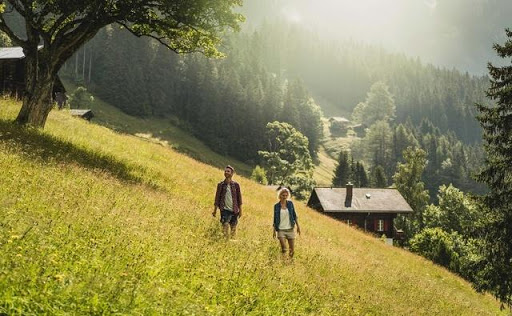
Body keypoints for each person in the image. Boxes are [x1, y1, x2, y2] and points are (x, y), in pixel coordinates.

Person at [213, 165, 242, 239]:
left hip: (234, 211)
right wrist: (215, 211)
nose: (226, 172)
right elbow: (217, 198)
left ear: (232, 174)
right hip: (224, 210)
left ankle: (231, 244)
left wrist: (241, 211)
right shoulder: (221, 185)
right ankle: (225, 242)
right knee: (225, 227)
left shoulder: (236, 185)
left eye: (228, 171)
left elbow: (239, 199)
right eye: (225, 171)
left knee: (233, 230)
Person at [273, 187, 301, 258]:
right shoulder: (276, 206)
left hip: (290, 229)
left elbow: (294, 215)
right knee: (284, 249)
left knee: (292, 251)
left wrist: (298, 227)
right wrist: (274, 231)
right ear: (280, 196)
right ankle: (283, 261)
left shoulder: (290, 204)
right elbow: (275, 219)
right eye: (283, 195)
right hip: (281, 230)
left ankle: (290, 263)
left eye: (286, 195)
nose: (284, 197)